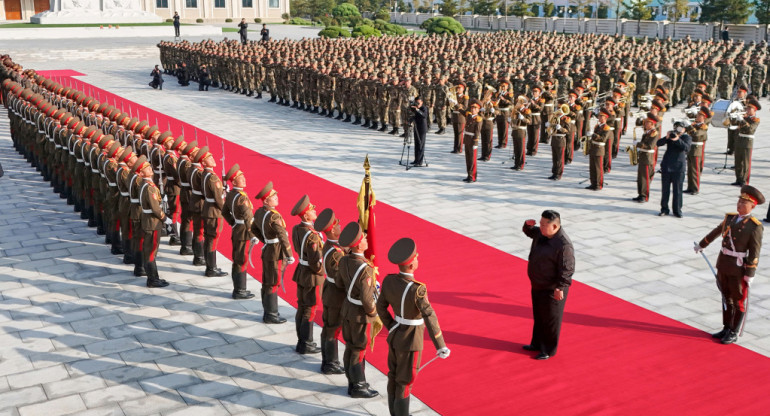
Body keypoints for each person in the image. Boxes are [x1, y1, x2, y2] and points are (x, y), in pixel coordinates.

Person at [377, 237, 449, 416]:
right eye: (416, 257)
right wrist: (441, 345)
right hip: (411, 340)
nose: (418, 259)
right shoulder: (417, 290)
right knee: (405, 381)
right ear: (410, 265)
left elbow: (380, 306)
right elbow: (430, 316)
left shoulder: (389, 281)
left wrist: (391, 325)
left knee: (393, 376)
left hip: (395, 335)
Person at [695, 185, 764, 345]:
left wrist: (750, 274)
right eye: (739, 201)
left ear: (752, 206)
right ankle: (726, 327)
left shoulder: (754, 226)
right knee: (726, 297)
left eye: (743, 203)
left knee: (738, 299)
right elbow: (716, 231)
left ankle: (733, 331)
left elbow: (755, 252)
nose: (739, 205)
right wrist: (702, 244)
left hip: (738, 268)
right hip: (724, 263)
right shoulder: (730, 218)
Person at [521, 210, 574, 360]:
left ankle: (549, 350)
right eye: (541, 223)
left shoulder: (563, 245)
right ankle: (537, 344)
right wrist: (528, 226)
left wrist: (560, 287)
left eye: (544, 225)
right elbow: (530, 232)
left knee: (551, 319)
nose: (541, 226)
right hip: (538, 284)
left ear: (555, 226)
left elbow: (567, 268)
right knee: (539, 316)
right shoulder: (542, 234)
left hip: (552, 288)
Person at [336, 221, 378, 399]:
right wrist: (374, 314)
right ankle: (359, 386)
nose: (367, 239)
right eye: (364, 238)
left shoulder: (344, 259)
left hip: (347, 308)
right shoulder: (366, 269)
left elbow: (339, 283)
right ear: (359, 244)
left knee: (350, 347)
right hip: (359, 314)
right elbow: (367, 300)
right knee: (359, 348)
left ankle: (352, 381)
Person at [251, 181, 293, 324]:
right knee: (273, 283)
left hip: (268, 249)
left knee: (267, 282)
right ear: (267, 200)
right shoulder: (274, 216)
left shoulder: (259, 212)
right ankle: (271, 314)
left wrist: (265, 240)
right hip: (275, 252)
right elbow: (283, 236)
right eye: (274, 197)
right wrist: (289, 254)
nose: (277, 198)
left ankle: (268, 312)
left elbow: (253, 228)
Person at [290, 195, 323, 355]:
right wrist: (325, 272)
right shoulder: (312, 235)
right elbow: (315, 262)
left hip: (301, 271)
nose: (314, 211)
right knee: (310, 309)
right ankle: (307, 343)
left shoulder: (297, 229)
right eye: (312, 210)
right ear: (305, 215)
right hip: (311, 275)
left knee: (302, 306)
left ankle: (301, 341)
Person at [315, 208, 346, 375]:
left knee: (330, 327)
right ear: (333, 229)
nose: (341, 226)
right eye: (338, 224)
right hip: (336, 294)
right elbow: (340, 278)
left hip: (330, 290)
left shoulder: (333, 246)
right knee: (333, 328)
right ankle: (330, 363)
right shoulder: (335, 253)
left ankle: (328, 360)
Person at [222, 163, 256, 300]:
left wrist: (233, 222)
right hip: (243, 231)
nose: (244, 179)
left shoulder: (231, 194)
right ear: (234, 181)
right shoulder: (241, 197)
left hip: (237, 228)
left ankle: (239, 288)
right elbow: (248, 216)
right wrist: (253, 234)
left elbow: (224, 211)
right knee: (242, 260)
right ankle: (240, 290)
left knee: (238, 259)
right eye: (241, 178)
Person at [658, 120, 692, 218]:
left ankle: (677, 210)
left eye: (680, 128)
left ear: (684, 129)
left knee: (677, 190)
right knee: (665, 190)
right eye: (677, 127)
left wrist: (677, 139)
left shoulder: (687, 137)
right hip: (667, 166)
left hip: (678, 167)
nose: (678, 130)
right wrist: (667, 137)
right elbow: (658, 143)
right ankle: (664, 209)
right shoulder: (671, 135)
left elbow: (686, 148)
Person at [732, 97, 760, 187]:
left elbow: (750, 129)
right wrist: (733, 117)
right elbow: (733, 125)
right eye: (747, 108)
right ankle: (738, 179)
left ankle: (745, 180)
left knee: (746, 162)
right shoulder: (744, 117)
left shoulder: (755, 120)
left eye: (749, 108)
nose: (747, 109)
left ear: (754, 110)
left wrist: (742, 120)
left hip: (747, 142)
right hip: (739, 140)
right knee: (738, 161)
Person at [632, 113, 659, 203]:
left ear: (652, 124)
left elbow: (650, 146)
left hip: (648, 158)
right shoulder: (647, 133)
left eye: (647, 123)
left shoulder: (654, 134)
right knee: (640, 178)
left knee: (645, 178)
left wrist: (638, 144)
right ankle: (640, 194)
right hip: (643, 157)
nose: (645, 124)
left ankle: (644, 196)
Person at [410, 96, 427, 167]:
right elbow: (412, 115)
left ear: (422, 102)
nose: (417, 104)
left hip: (422, 128)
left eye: (419, 103)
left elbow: (424, 115)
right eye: (416, 102)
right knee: (416, 143)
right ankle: (416, 159)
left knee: (421, 144)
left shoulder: (424, 108)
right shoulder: (416, 108)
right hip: (416, 127)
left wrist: (417, 110)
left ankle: (420, 161)